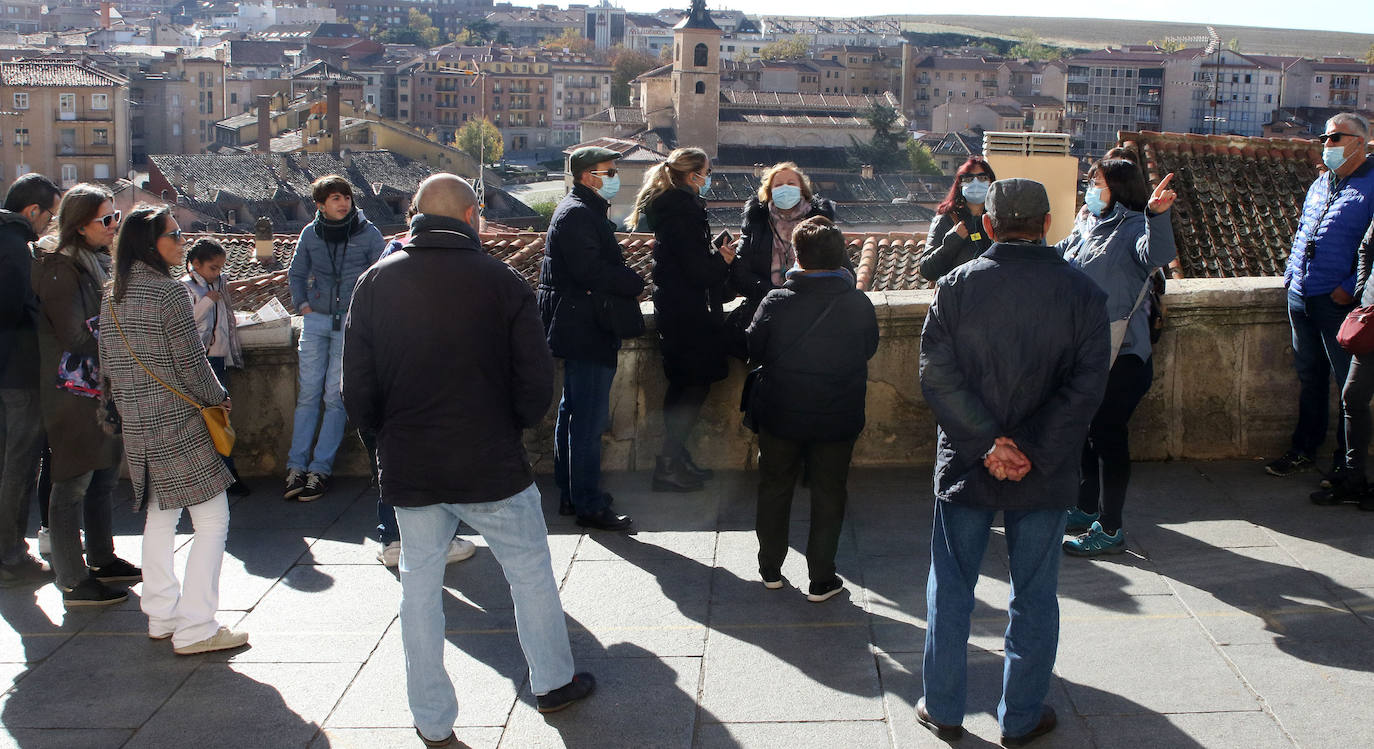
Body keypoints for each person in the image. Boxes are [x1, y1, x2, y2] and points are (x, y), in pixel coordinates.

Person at [343, 174, 593, 746]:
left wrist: (384, 441)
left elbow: (356, 388)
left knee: (419, 590)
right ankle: (553, 683)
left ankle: (432, 721)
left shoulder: (375, 283)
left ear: (415, 217)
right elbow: (535, 378)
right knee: (530, 575)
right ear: (470, 214)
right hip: (489, 458)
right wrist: (513, 428)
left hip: (412, 461)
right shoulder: (501, 281)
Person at [917, 178, 1110, 746]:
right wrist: (1031, 449)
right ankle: (1021, 716)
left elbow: (937, 376)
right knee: (1034, 593)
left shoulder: (955, 287)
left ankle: (944, 707)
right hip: (1044, 469)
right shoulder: (1083, 293)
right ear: (1048, 224)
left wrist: (987, 444)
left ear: (991, 226)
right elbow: (1086, 386)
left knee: (951, 587)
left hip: (967, 464)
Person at [100, 206, 249, 655]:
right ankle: (196, 625)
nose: (182, 240)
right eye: (174, 234)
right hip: (180, 419)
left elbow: (107, 364)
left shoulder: (112, 294)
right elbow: (190, 361)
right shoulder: (167, 293)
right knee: (212, 519)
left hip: (138, 421)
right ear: (151, 243)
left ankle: (162, 615)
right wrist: (218, 397)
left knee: (160, 515)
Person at [746, 216, 877, 602]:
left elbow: (755, 348)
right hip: (837, 416)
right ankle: (822, 578)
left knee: (774, 488)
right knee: (829, 493)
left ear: (798, 257)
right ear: (841, 259)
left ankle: (770, 567)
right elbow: (868, 348)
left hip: (781, 412)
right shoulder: (857, 303)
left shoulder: (777, 301)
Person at [1058, 159, 1178, 556]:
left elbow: (1157, 253)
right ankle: (1085, 507)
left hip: (1124, 353)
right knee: (1086, 432)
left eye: (1097, 181)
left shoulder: (1132, 229)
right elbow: (1059, 257)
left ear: (1118, 187)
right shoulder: (1086, 223)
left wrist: (1157, 217)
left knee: (1108, 434)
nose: (1090, 187)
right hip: (1087, 349)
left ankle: (1110, 528)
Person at [32, 183, 140, 606]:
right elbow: (75, 335)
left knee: (103, 474)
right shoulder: (61, 269)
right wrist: (123, 335)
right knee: (72, 481)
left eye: (115, 217)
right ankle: (73, 579)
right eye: (106, 219)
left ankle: (101, 559)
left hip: (98, 386)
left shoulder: (94, 261)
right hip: (71, 392)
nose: (115, 226)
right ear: (80, 225)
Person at [538, 146, 643, 530]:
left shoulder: (577, 210)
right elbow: (591, 271)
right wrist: (633, 282)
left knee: (572, 413)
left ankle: (572, 494)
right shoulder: (579, 214)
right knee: (587, 419)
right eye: (609, 171)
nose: (614, 177)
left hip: (576, 323)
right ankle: (588, 503)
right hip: (586, 326)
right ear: (587, 176)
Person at [1278, 113, 1374, 495]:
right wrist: (1290, 276)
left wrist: (1350, 287)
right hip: (1301, 294)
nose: (1326, 145)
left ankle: (1345, 462)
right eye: (1324, 138)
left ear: (1358, 142)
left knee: (1346, 385)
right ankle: (1304, 447)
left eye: (1334, 138)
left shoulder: (1372, 185)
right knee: (1309, 376)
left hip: (1339, 302)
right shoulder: (1321, 183)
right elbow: (1304, 230)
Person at [630, 147, 735, 492]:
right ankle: (669, 463)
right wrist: (723, 259)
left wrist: (712, 253)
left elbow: (684, 259)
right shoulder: (683, 212)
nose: (708, 178)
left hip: (677, 312)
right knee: (690, 388)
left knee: (685, 388)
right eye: (706, 172)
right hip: (687, 317)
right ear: (693, 176)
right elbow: (697, 272)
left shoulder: (673, 208)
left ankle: (676, 458)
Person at [284, 175, 385, 502]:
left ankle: (320, 470)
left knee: (334, 396)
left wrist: (366, 312)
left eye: (346, 197)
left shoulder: (367, 233)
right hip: (316, 321)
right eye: (335, 198)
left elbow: (381, 274)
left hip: (350, 324)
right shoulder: (310, 234)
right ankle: (296, 467)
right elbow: (296, 272)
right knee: (308, 395)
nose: (343, 203)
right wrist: (303, 306)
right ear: (320, 205)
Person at [0, 173, 61, 587]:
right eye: (47, 216)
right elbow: (12, 310)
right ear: (32, 211)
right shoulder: (15, 246)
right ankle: (10, 556)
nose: (47, 225)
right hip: (18, 372)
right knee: (19, 466)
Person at [729, 162, 836, 356]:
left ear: (802, 189)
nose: (785, 189)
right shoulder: (756, 223)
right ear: (769, 191)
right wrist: (773, 294)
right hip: (766, 315)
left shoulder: (821, 223)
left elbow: (839, 269)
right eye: (778, 185)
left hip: (812, 316)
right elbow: (740, 274)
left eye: (791, 183)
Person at [181, 238, 249, 497]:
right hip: (202, 359)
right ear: (195, 265)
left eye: (220, 268)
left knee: (221, 419)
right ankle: (220, 476)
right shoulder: (186, 288)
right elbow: (186, 322)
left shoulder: (219, 284)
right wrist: (208, 301)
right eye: (212, 267)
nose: (217, 273)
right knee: (209, 420)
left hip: (219, 358)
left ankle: (227, 474)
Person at [1337, 220, 1374, 510]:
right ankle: (1354, 480)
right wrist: (1363, 292)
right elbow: (1366, 247)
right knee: (1353, 397)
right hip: (1371, 319)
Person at [919, 156, 997, 283]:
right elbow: (927, 270)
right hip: (957, 296)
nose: (976, 183)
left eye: (982, 178)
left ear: (991, 182)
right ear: (960, 184)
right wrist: (951, 242)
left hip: (991, 296)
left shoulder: (998, 219)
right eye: (969, 179)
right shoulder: (946, 219)